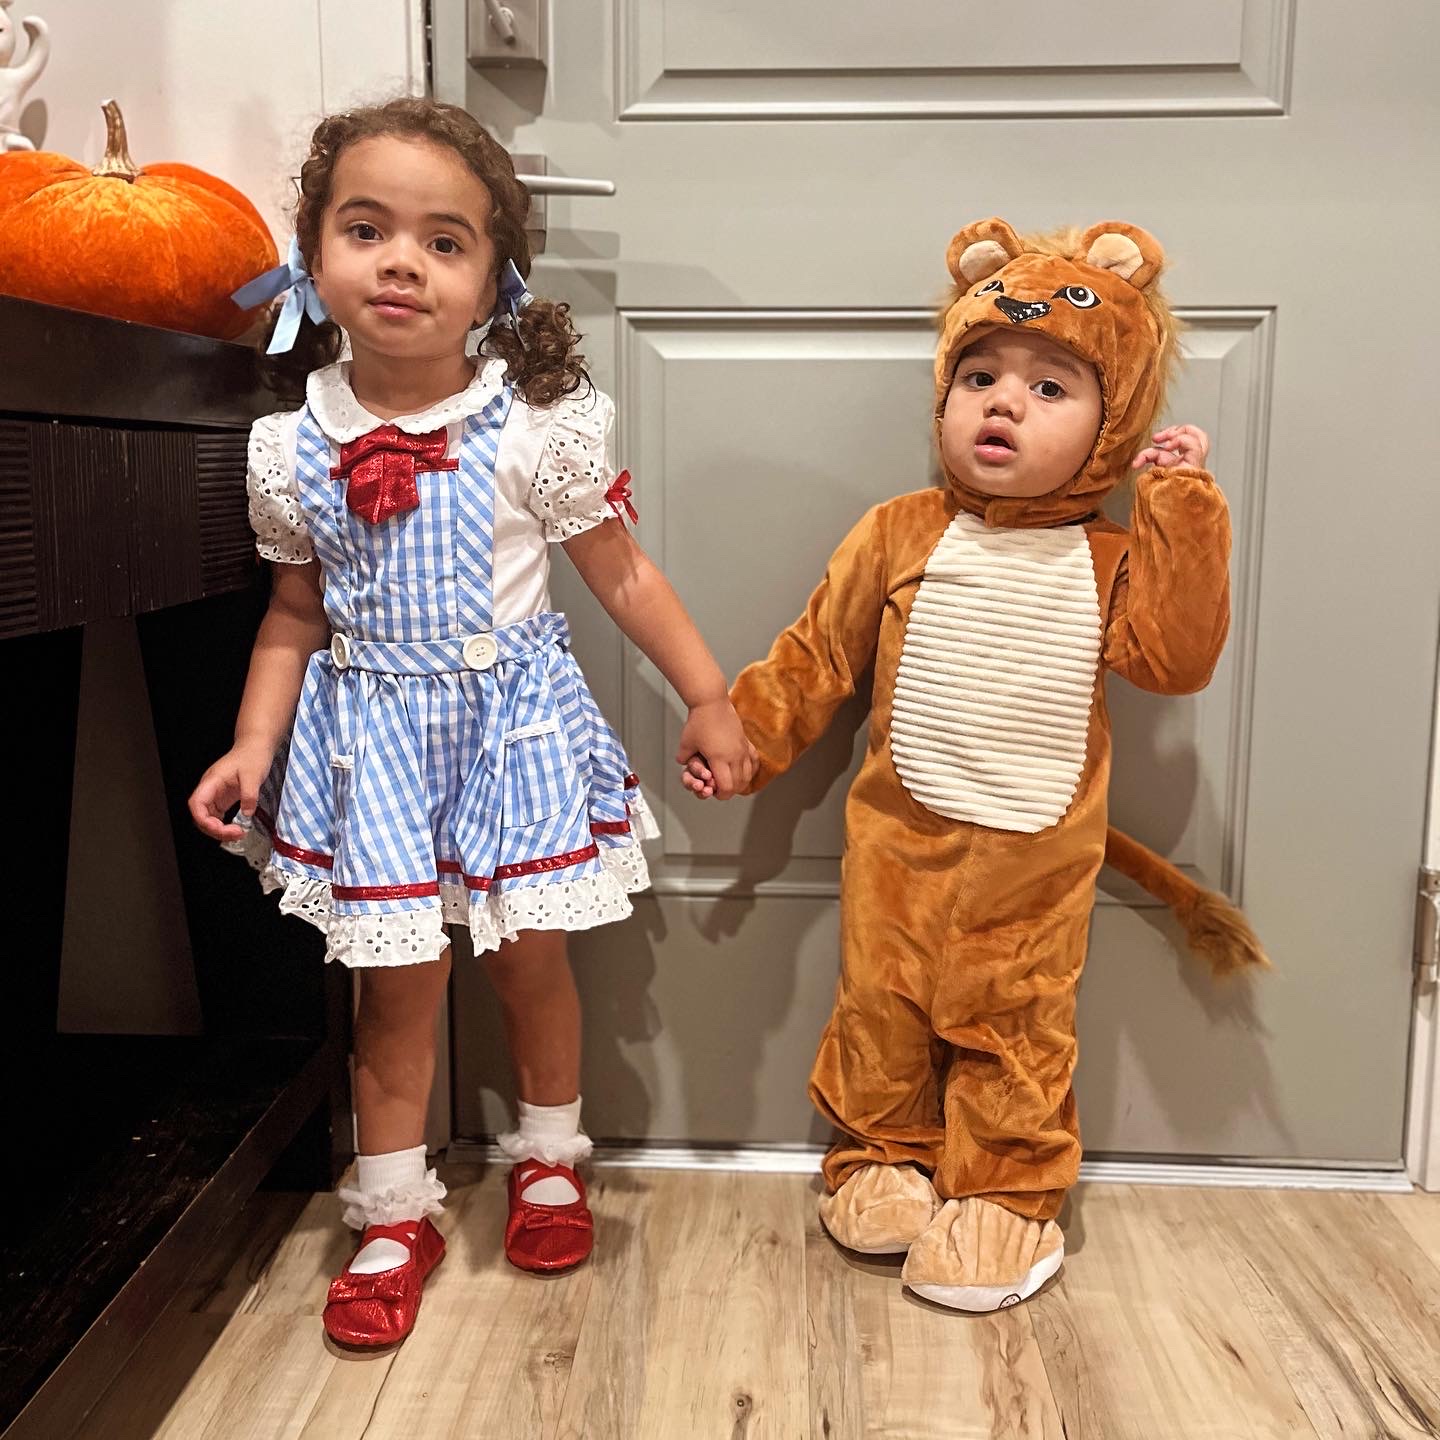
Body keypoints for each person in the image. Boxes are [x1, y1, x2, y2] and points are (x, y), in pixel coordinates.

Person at [188, 96, 755, 1348]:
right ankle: (394, 1216)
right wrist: (253, 744)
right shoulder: (291, 446)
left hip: (516, 735)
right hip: (374, 747)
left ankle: (549, 1158)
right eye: (367, 229)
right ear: (313, 252)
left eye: (444, 242)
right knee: (394, 991)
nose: (403, 263)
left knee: (530, 964)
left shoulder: (538, 429)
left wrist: (710, 695)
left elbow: (624, 577)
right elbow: (293, 614)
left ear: (496, 279)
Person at [685, 217, 1263, 1312]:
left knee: (1017, 1028)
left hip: (1033, 867)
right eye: (980, 377)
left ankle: (1007, 1193)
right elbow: (815, 656)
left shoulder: (1110, 556)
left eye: (1051, 389)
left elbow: (1176, 660)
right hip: (897, 850)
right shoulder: (898, 532)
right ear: (944, 395)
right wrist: (747, 737)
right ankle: (880, 1153)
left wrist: (1180, 511)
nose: (1004, 404)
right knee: (881, 1007)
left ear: (1113, 424)